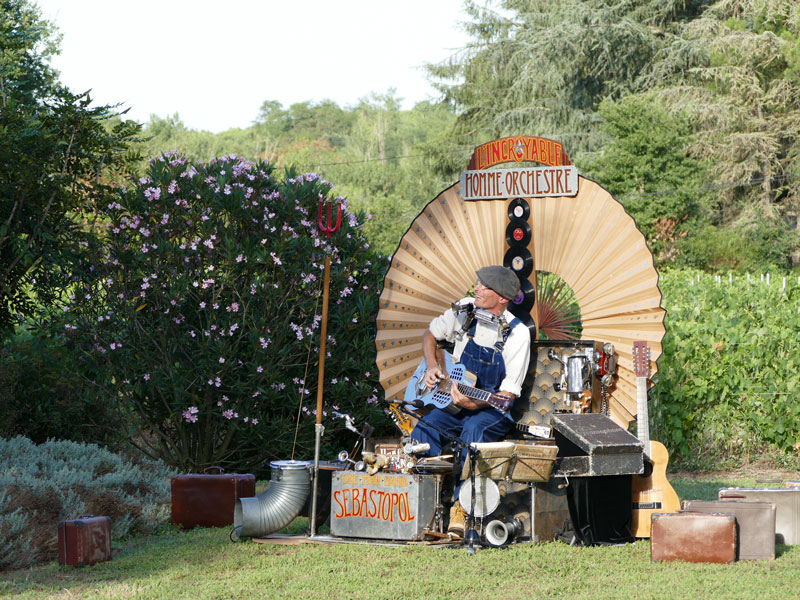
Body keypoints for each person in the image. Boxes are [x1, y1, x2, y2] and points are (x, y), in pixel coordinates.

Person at [410, 265, 531, 537]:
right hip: (454, 402)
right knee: (424, 428)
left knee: (473, 432)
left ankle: (461, 511)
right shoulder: (465, 308)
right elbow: (430, 334)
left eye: (484, 286)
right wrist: (431, 366)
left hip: (491, 408)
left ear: (502, 298)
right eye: (478, 283)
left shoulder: (518, 333)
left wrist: (473, 404)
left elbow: (507, 396)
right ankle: (421, 505)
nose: (476, 287)